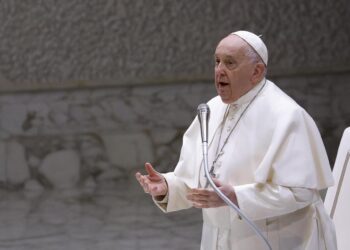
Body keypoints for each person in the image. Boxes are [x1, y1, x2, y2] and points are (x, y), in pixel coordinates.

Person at [135, 30, 337, 250]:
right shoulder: (212, 109)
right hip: (218, 239)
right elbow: (199, 182)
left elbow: (301, 192)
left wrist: (236, 197)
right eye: (217, 61)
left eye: (230, 63)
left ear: (256, 71)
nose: (219, 70)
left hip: (273, 239)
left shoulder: (287, 116)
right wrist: (167, 187)